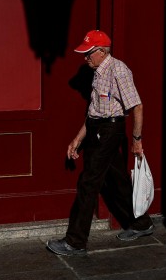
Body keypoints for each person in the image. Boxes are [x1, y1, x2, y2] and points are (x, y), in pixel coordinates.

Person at [46, 30, 154, 256]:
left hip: (111, 130)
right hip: (96, 129)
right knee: (116, 179)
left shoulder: (118, 70)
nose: (85, 58)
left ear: (102, 52)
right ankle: (142, 224)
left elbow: (137, 106)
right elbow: (94, 112)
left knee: (88, 182)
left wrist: (136, 141)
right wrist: (78, 138)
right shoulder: (96, 72)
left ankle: (75, 242)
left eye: (89, 53)